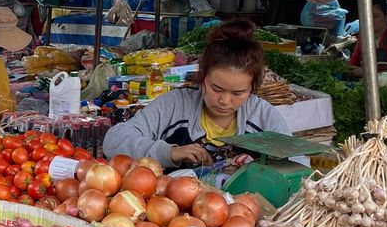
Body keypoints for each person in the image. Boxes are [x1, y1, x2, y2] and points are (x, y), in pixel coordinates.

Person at [102, 20, 292, 167]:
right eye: (216, 89)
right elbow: (113, 141)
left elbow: (297, 162)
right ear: (201, 78)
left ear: (252, 88)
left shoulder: (263, 115)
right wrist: (169, 152)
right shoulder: (175, 105)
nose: (225, 101)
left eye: (238, 93)